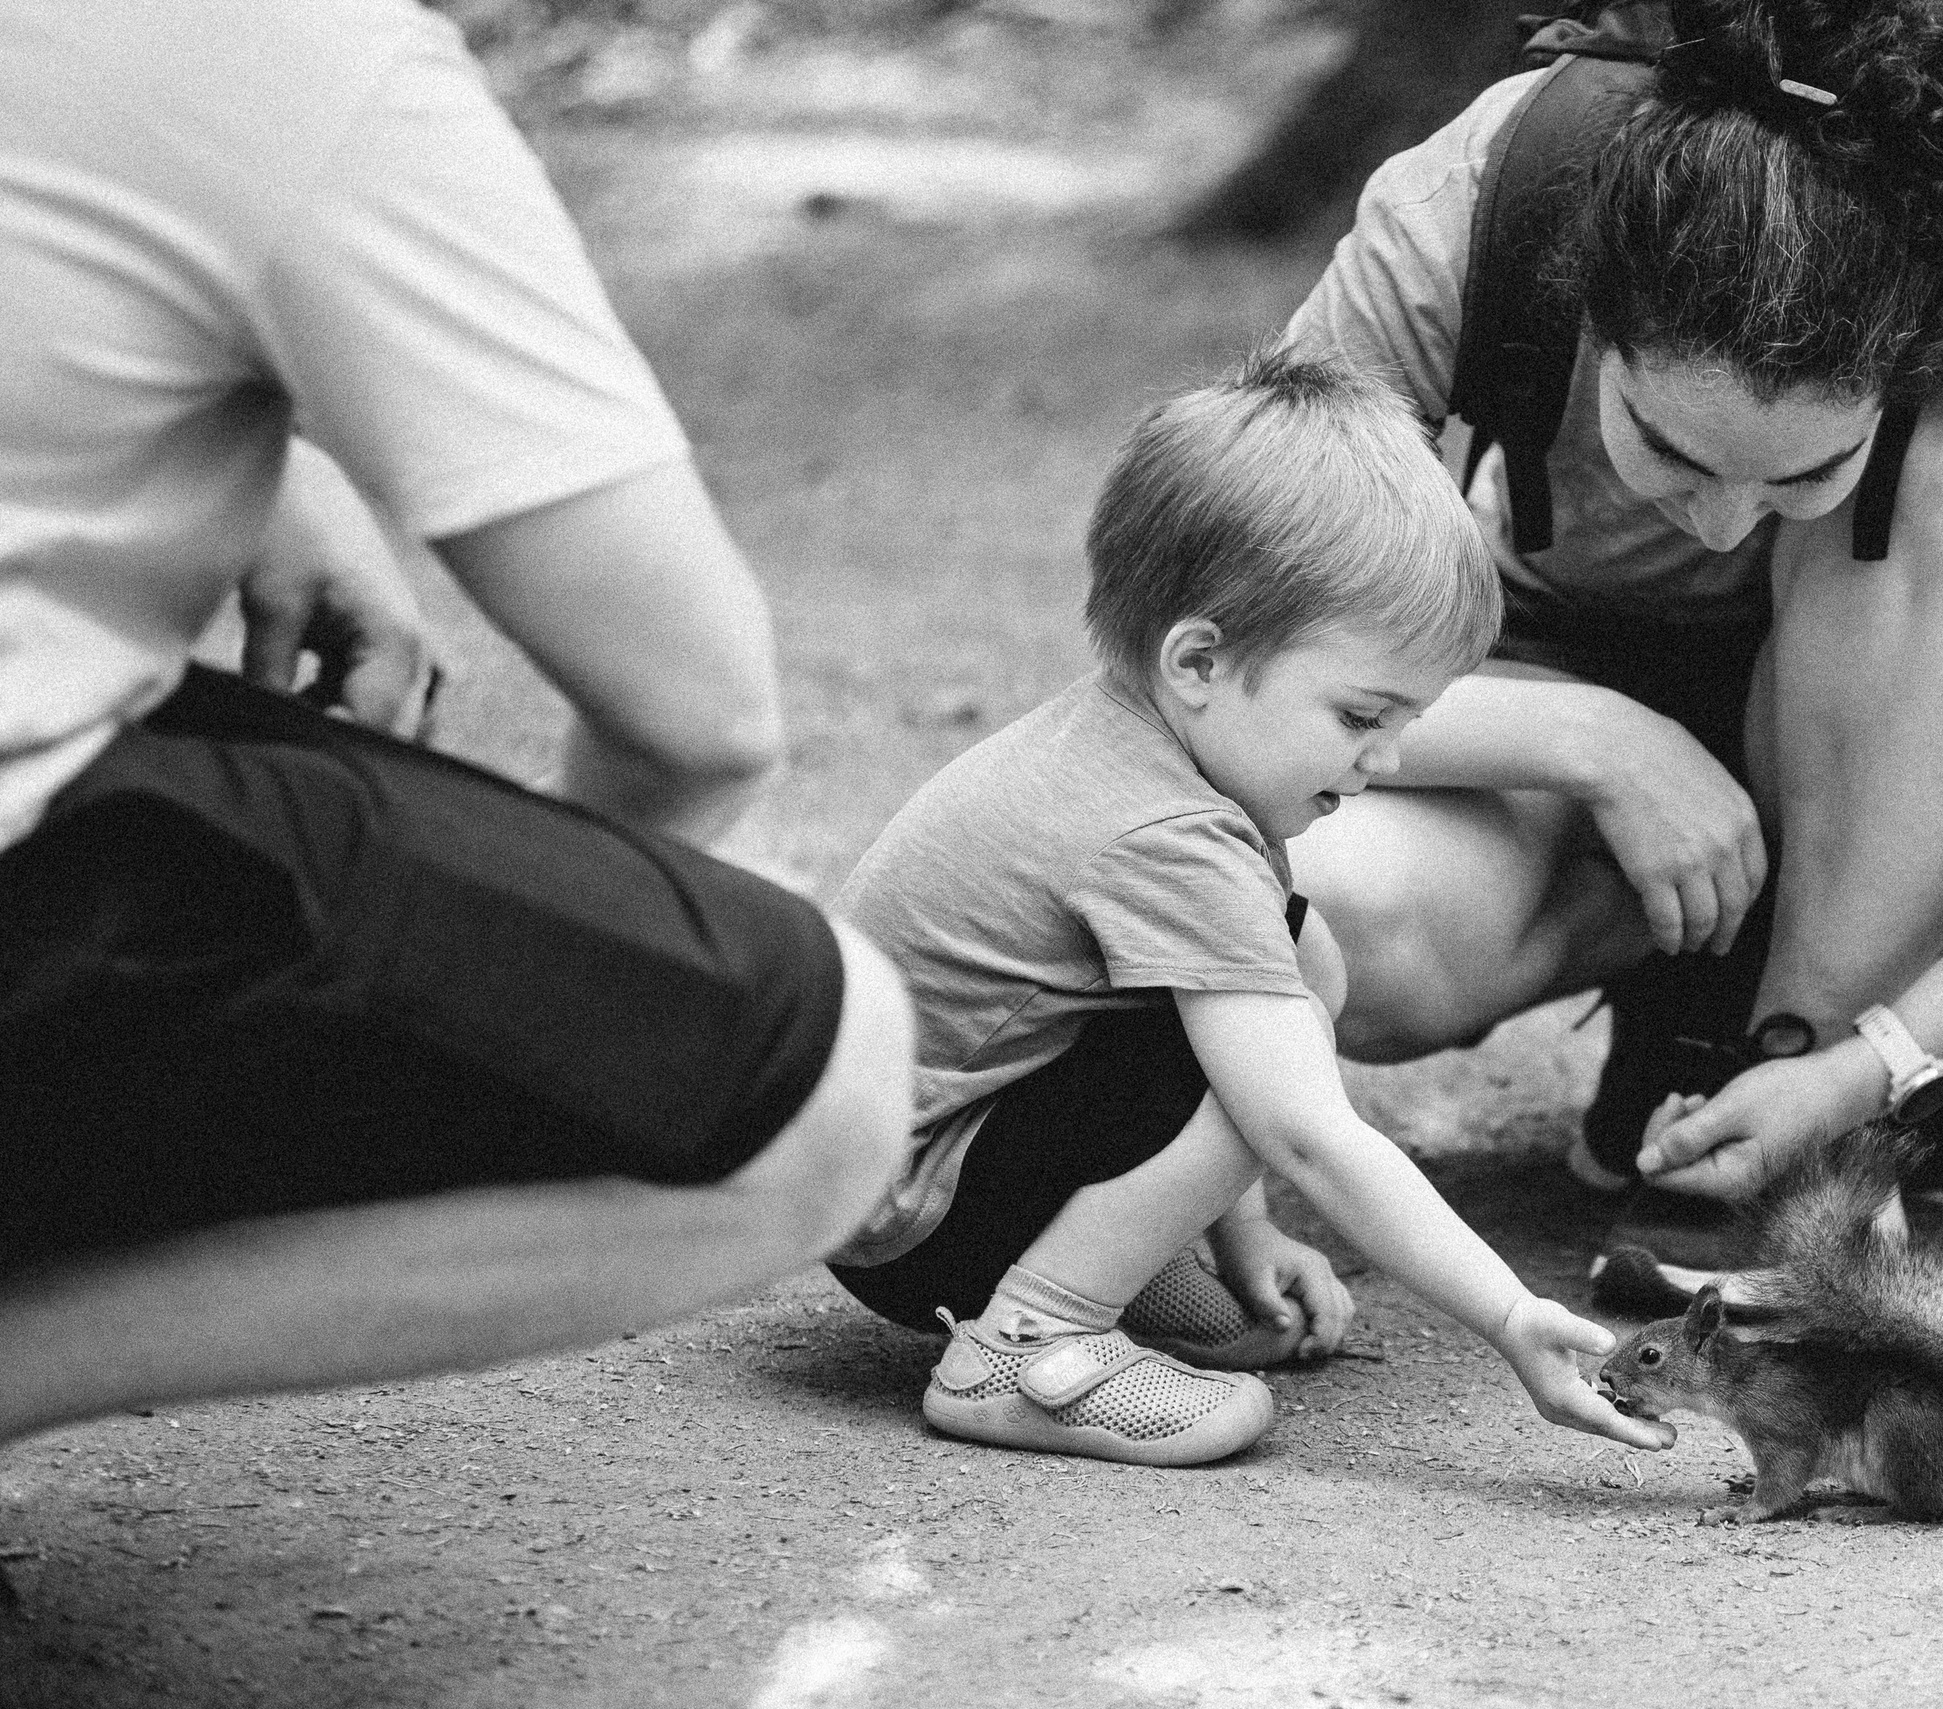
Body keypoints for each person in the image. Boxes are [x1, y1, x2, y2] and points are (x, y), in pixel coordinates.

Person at [0, 0, 912, 1444]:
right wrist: (569, 978)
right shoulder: (293, 53)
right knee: (828, 1061)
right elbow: (699, 711)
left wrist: (270, 460)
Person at [1280, 0, 1943, 1277]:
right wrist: (1596, 742)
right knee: (1330, 912)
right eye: (1669, 449)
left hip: (1904, 738)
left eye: (1804, 469)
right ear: (1595, 312)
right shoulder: (1465, 208)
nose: (1729, 516)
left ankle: (1798, 1113)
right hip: (1554, 698)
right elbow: (1233, 668)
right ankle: (1685, 1019)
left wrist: (1876, 1064)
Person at [826, 351, 1672, 1467]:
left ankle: (1103, 1268)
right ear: (1200, 661)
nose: (1394, 753)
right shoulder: (1168, 835)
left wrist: (1244, 1230)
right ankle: (1028, 1342)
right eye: (1363, 711)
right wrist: (1509, 1314)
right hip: (911, 1211)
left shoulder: (1143, 747)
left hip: (891, 1167)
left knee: (1299, 964)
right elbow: (1302, 1128)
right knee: (1282, 1031)